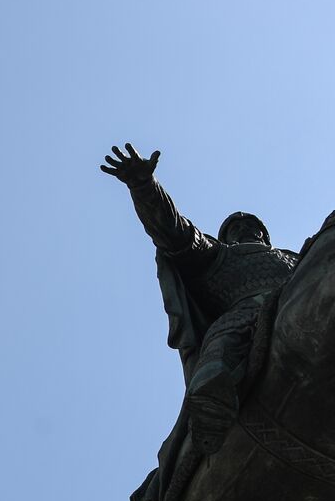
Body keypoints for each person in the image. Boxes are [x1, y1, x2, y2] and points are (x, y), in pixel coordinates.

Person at [100, 143, 298, 456]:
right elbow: (174, 230)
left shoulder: (293, 258)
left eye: (252, 225)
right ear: (226, 238)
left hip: (299, 298)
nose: (245, 228)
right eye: (235, 227)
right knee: (222, 340)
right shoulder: (217, 255)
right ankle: (211, 402)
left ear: (265, 234)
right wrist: (143, 185)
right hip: (244, 313)